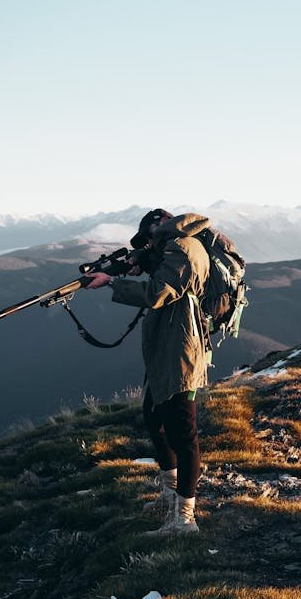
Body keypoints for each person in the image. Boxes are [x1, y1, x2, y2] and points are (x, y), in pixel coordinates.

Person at [85, 208, 211, 535]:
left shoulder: (183, 249)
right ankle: (171, 494)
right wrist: (140, 260)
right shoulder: (173, 247)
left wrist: (113, 282)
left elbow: (158, 294)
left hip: (180, 352)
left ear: (159, 228)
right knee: (154, 418)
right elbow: (161, 274)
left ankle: (185, 519)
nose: (148, 243)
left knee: (183, 432)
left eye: (149, 238)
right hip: (165, 349)